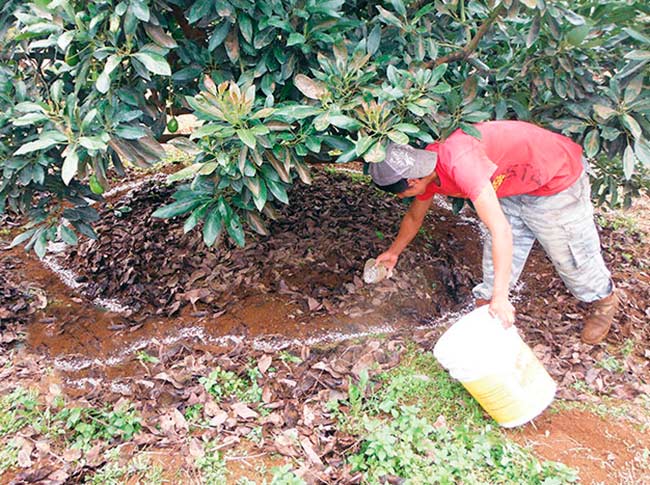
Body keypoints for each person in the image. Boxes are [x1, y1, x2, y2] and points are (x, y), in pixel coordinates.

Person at [369, 120, 618, 344]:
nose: (402, 197)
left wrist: (502, 296)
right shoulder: (425, 169)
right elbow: (414, 217)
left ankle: (603, 300)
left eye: (400, 192)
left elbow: (501, 230)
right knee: (493, 263)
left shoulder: (460, 164)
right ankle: (489, 307)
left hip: (554, 181)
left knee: (571, 257)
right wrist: (393, 252)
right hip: (510, 184)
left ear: (412, 181)